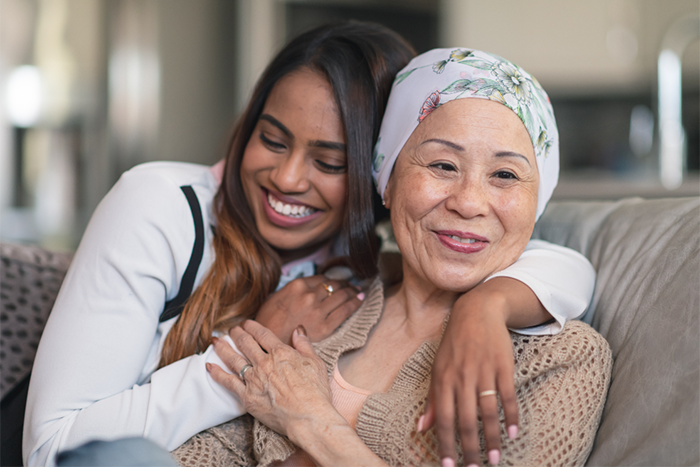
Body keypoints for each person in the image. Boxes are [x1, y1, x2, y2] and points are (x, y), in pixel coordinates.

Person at [25, 23, 593, 467]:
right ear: (391, 179)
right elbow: (64, 452)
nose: (289, 179)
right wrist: (251, 352)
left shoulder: (358, 263)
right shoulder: (165, 207)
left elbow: (556, 260)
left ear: (374, 178)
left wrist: (486, 306)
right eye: (271, 139)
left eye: (328, 161)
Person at [175, 48, 612, 467]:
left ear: (536, 203)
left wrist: (313, 425)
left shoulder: (562, 359)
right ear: (387, 180)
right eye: (442, 165)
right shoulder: (323, 304)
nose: (469, 202)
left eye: (505, 175)